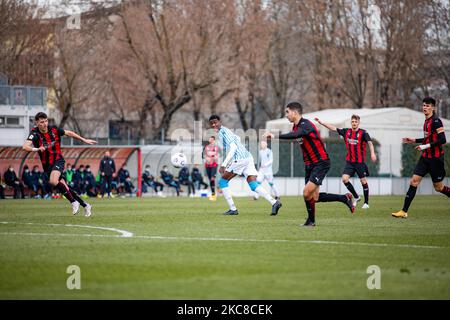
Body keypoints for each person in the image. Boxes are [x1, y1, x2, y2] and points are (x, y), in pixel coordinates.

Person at [263, 102, 355, 227]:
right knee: (314, 198)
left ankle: (311, 221)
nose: (286, 115)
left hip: (321, 162)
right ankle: (345, 198)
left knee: (306, 193)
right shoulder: (295, 127)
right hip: (309, 164)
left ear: (295, 113)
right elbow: (297, 137)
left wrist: (275, 136)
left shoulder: (306, 125)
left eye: (287, 112)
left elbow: (296, 135)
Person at [22, 112, 96, 216]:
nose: (45, 124)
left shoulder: (54, 130)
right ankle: (86, 205)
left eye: (46, 121)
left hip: (58, 160)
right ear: (37, 123)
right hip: (46, 165)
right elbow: (25, 146)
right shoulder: (34, 133)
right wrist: (37, 149)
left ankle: (74, 202)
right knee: (66, 188)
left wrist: (84, 140)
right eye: (42, 122)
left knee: (53, 181)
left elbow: (69, 133)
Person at [209, 115, 282, 216]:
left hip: (240, 159)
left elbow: (233, 147)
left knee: (223, 181)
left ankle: (233, 209)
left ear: (219, 121)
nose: (213, 125)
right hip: (247, 157)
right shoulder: (227, 131)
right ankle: (274, 202)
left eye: (215, 122)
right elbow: (237, 139)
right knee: (252, 184)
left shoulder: (223, 132)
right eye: (211, 123)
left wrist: (224, 164)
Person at [392, 97, 449, 218]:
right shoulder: (426, 121)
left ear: (433, 107)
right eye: (423, 105)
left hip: (436, 159)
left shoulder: (436, 121)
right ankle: (404, 211)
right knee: (413, 181)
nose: (425, 108)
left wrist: (425, 146)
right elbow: (428, 139)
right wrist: (415, 140)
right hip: (425, 158)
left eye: (427, 106)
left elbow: (443, 139)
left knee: (439, 187)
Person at [315, 114, 377, 209]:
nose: (354, 123)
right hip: (350, 162)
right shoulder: (346, 131)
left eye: (356, 122)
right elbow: (333, 128)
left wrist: (372, 153)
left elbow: (370, 143)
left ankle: (366, 203)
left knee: (363, 181)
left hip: (360, 162)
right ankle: (356, 197)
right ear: (351, 122)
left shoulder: (363, 133)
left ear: (359, 123)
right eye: (352, 121)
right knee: (344, 179)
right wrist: (322, 123)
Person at [204, 136, 219, 201]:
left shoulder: (216, 147)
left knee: (213, 178)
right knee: (210, 179)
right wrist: (207, 159)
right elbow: (205, 155)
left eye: (212, 139)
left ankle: (214, 195)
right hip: (207, 165)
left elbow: (216, 156)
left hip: (214, 165)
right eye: (210, 139)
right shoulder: (206, 147)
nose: (210, 140)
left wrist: (212, 159)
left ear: (214, 140)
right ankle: (213, 194)